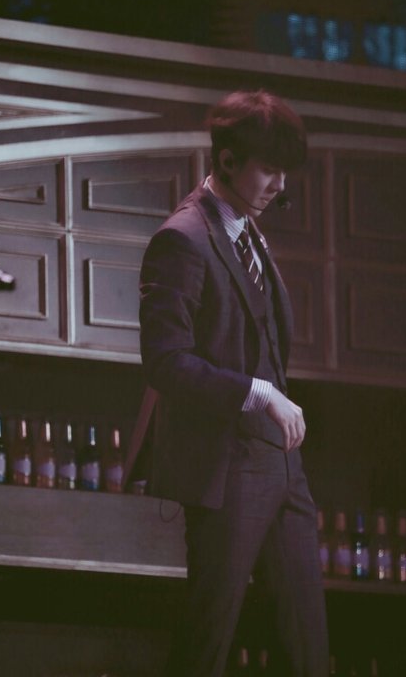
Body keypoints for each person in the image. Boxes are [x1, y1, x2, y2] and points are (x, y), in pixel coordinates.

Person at [124, 90, 329, 676]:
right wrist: (260, 394)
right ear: (229, 159)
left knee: (309, 648)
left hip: (283, 465)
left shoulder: (248, 229)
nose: (280, 185)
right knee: (207, 643)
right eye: (270, 169)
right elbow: (166, 361)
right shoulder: (183, 237)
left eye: (285, 171)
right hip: (228, 465)